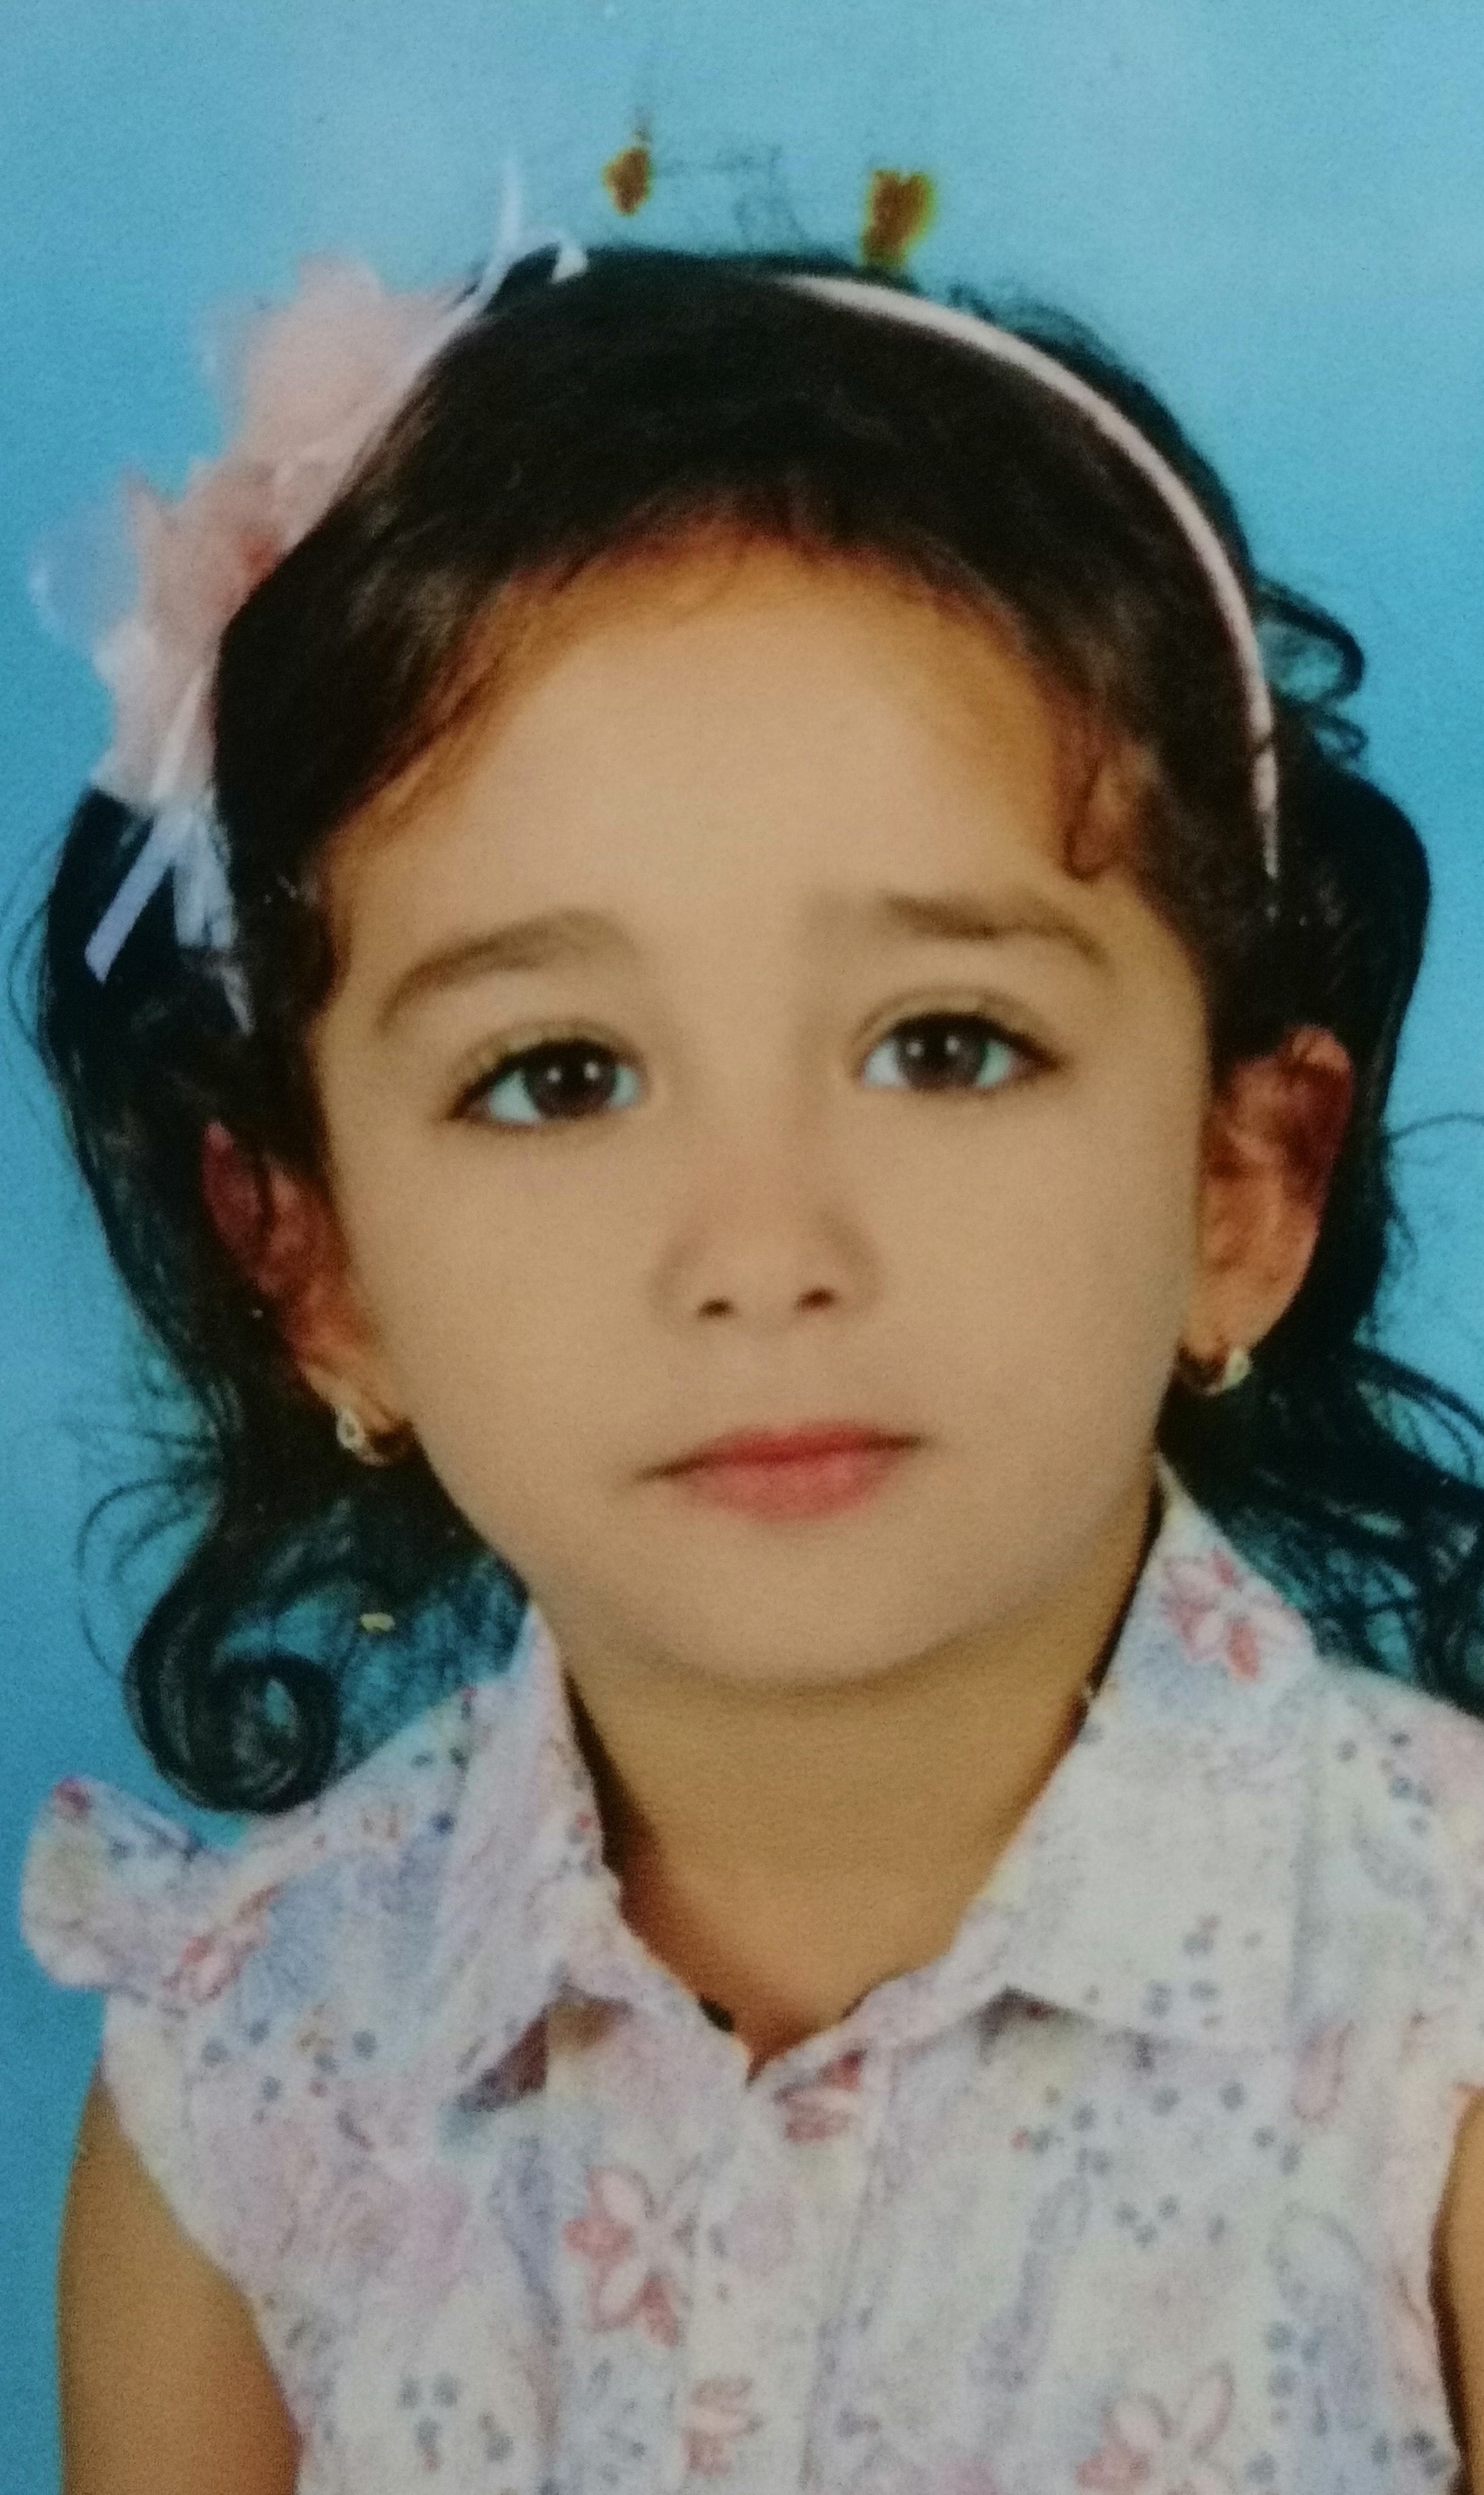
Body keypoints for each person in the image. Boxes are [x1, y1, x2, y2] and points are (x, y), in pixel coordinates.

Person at [17, 180, 1484, 2494]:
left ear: (1244, 1183)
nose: (762, 1248)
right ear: (317, 1270)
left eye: (945, 1044)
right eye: (555, 1076)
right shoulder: (252, 2087)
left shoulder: (1441, 2031)